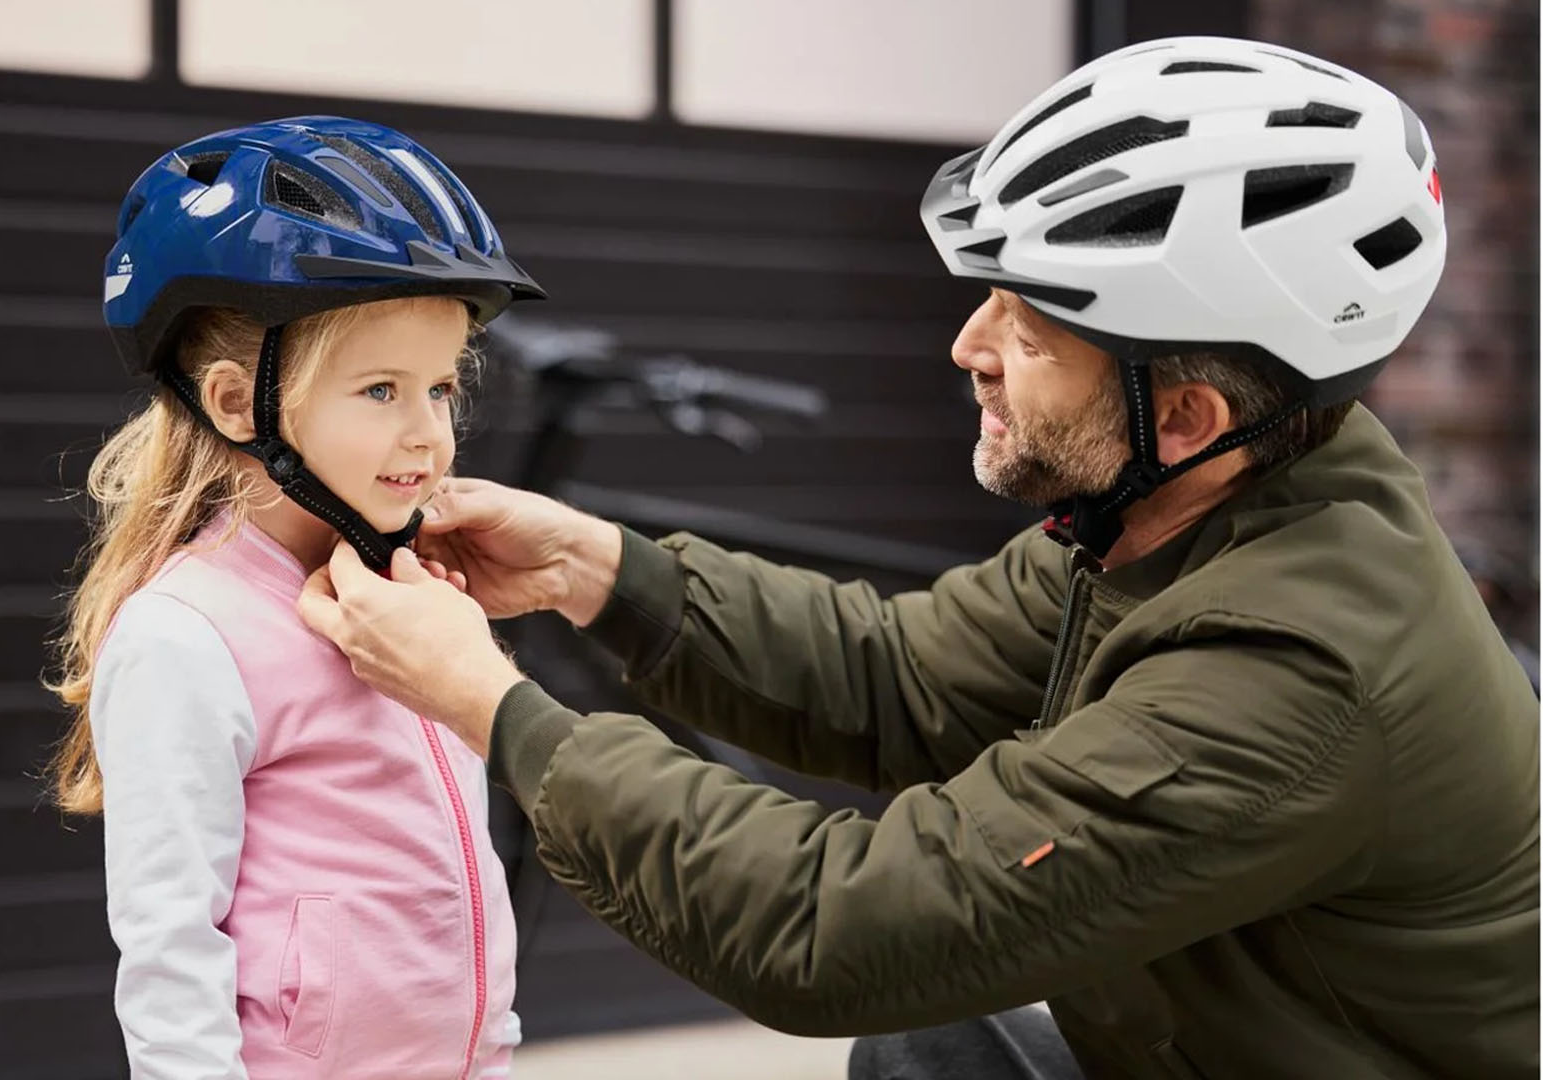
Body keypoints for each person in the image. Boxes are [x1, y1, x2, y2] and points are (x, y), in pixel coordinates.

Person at [295, 36, 1538, 1079]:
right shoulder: (1177, 518)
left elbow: (840, 930)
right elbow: (901, 678)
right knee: (947, 1058)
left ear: (1187, 418)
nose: (967, 345)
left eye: (1032, 325)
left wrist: (489, 705)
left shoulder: (1290, 676)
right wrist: (598, 571)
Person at [50, 116, 544, 1078]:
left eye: (441, 388)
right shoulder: (186, 637)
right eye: (379, 391)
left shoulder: (417, 596)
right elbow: (169, 956)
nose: (429, 436)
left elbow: (465, 876)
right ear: (238, 403)